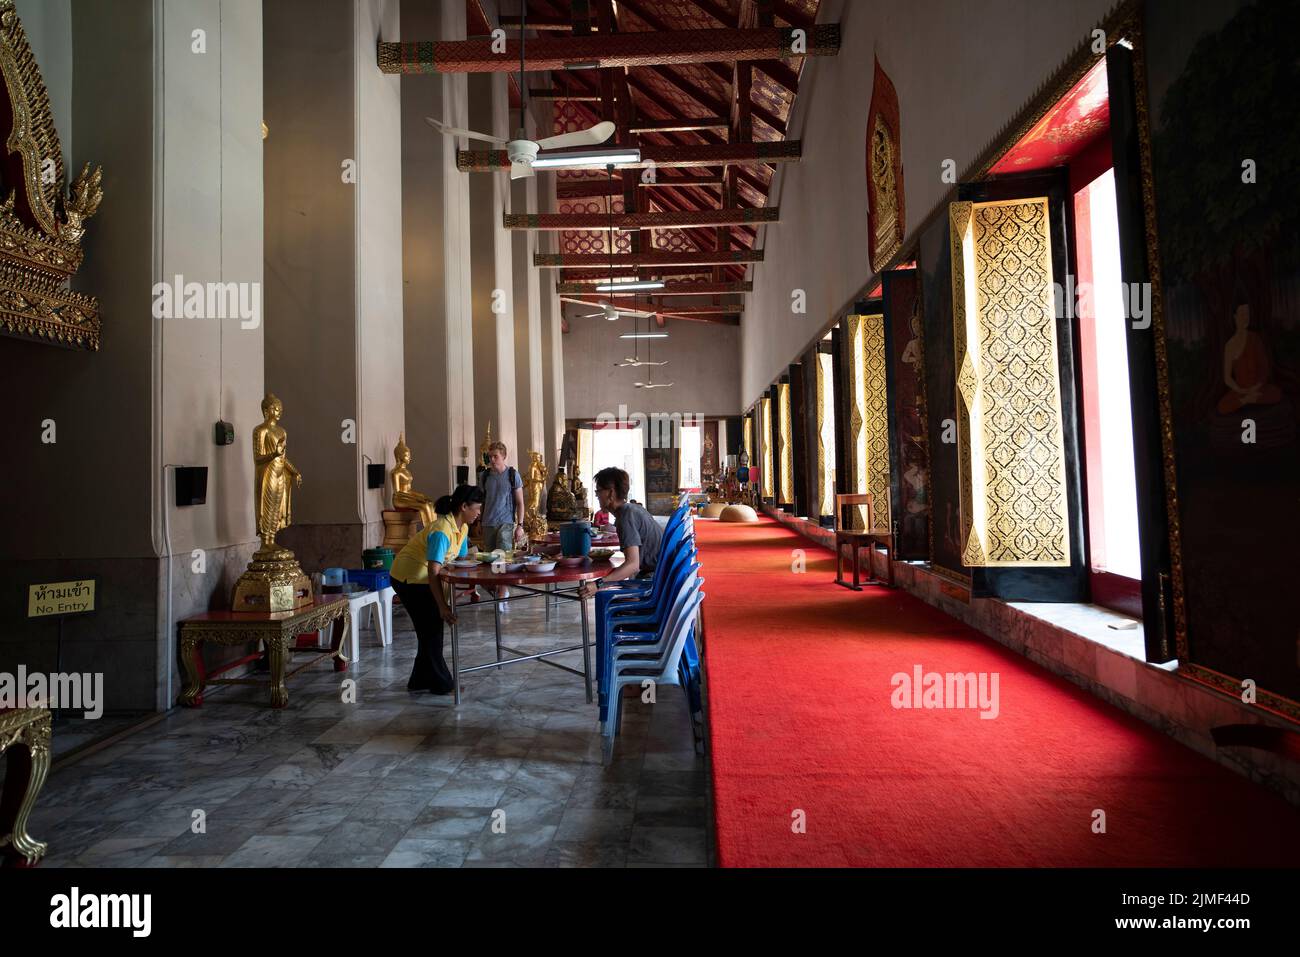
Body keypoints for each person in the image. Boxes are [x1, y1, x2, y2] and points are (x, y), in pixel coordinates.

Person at [389, 484, 484, 694]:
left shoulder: (462, 528)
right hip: (409, 578)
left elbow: (461, 560)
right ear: (463, 507)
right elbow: (433, 571)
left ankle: (419, 681)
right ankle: (443, 684)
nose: (479, 513)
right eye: (476, 508)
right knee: (431, 632)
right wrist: (442, 606)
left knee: (428, 631)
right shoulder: (442, 531)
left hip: (425, 578)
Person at [578, 467, 663, 599]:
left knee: (606, 597)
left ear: (611, 493)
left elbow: (632, 565)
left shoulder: (626, 516)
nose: (596, 495)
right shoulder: (633, 509)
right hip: (663, 574)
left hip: (658, 580)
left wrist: (598, 585)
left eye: (598, 491)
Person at [478, 441, 526, 610]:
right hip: (488, 523)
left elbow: (520, 503)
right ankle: (498, 589)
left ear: (504, 456)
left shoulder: (512, 475)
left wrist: (520, 525)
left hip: (506, 522)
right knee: (491, 560)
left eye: (495, 456)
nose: (492, 459)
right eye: (489, 456)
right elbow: (482, 502)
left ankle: (502, 593)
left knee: (502, 558)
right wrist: (479, 521)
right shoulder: (484, 477)